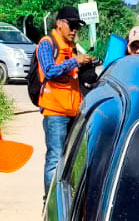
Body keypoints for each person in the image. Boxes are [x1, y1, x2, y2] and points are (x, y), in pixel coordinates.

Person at [37, 5, 94, 194]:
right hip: (55, 114)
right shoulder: (47, 43)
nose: (75, 30)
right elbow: (49, 71)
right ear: (60, 23)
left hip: (73, 112)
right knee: (55, 159)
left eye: (78, 26)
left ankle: (68, 200)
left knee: (72, 160)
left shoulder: (72, 47)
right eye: (72, 25)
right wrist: (76, 61)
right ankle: (50, 201)